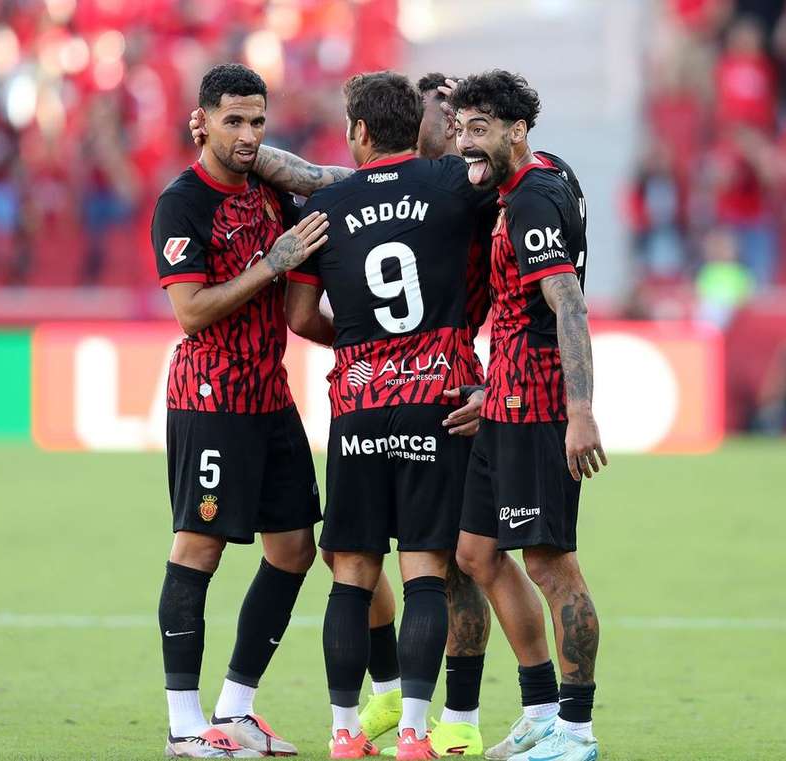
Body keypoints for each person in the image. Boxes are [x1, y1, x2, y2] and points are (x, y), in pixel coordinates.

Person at [283, 70, 490, 761]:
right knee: (426, 571)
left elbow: (301, 315)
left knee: (352, 573)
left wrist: (359, 345)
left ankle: (344, 732)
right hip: (438, 402)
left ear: (360, 133)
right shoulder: (455, 185)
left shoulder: (327, 203)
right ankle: (412, 734)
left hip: (360, 407)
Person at [151, 63, 330, 759]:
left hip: (268, 393)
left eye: (258, 120)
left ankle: (236, 708)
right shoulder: (183, 201)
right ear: (204, 120)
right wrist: (271, 265)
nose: (249, 134)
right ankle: (184, 722)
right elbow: (191, 311)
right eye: (234, 120)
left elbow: (321, 183)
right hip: (211, 397)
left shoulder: (269, 189)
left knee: (294, 548)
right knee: (199, 546)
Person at [449, 71, 608, 761]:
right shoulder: (529, 181)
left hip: (540, 405)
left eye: (478, 130)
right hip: (504, 399)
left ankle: (576, 732)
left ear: (517, 131)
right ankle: (542, 711)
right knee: (477, 553)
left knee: (551, 566)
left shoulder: (535, 195)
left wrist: (580, 411)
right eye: (460, 129)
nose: (464, 144)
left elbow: (566, 301)